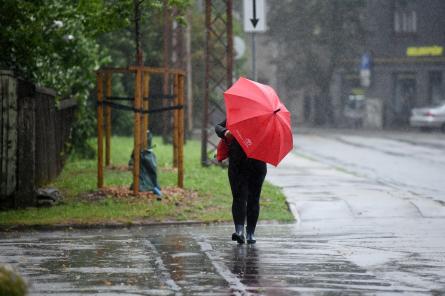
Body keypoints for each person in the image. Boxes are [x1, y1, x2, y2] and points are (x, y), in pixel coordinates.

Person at [215, 120, 267, 244]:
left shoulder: (267, 121)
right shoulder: (238, 116)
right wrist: (225, 132)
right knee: (238, 197)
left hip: (257, 165)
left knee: (253, 198)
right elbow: (218, 127)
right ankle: (239, 232)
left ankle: (250, 233)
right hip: (237, 164)